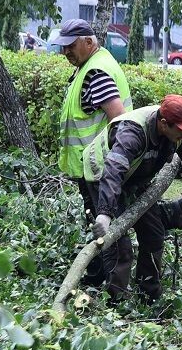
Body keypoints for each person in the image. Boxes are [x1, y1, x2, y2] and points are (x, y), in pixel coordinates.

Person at [82, 95, 182, 303]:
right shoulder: (132, 133)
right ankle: (115, 303)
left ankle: (148, 294)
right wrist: (104, 213)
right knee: (120, 245)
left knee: (154, 233)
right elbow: (113, 172)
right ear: (164, 124)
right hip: (102, 177)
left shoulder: (176, 125)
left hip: (136, 176)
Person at [56, 18, 134, 286]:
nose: (65, 52)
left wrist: (114, 165)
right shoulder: (90, 64)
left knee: (109, 232)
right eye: (63, 46)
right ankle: (96, 278)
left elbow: (120, 121)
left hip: (101, 170)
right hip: (92, 168)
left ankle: (115, 295)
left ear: (88, 42)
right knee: (100, 224)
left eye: (70, 46)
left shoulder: (95, 72)